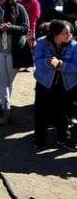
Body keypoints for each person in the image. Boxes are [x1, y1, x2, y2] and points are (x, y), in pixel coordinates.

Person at [33, 20, 77, 150]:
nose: (70, 35)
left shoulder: (74, 46)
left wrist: (61, 65)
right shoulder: (42, 42)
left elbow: (76, 66)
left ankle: (63, 138)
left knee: (63, 113)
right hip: (44, 83)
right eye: (66, 33)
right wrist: (47, 62)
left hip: (66, 84)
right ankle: (39, 139)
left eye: (70, 32)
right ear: (55, 34)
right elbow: (37, 60)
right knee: (41, 111)